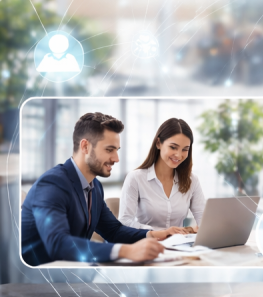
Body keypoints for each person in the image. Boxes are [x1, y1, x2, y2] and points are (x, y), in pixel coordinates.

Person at [21, 113, 183, 266]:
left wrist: (153, 234)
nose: (116, 159)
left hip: (70, 276)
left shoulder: (94, 186)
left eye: (117, 150)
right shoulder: (52, 184)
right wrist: (126, 251)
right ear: (85, 146)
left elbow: (113, 231)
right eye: (109, 149)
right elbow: (58, 243)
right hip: (38, 281)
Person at [119, 118, 206, 231]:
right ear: (158, 143)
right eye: (173, 147)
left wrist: (193, 230)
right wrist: (160, 232)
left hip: (179, 246)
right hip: (146, 243)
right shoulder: (136, 178)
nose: (179, 155)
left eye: (185, 149)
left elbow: (204, 221)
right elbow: (124, 222)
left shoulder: (192, 180)